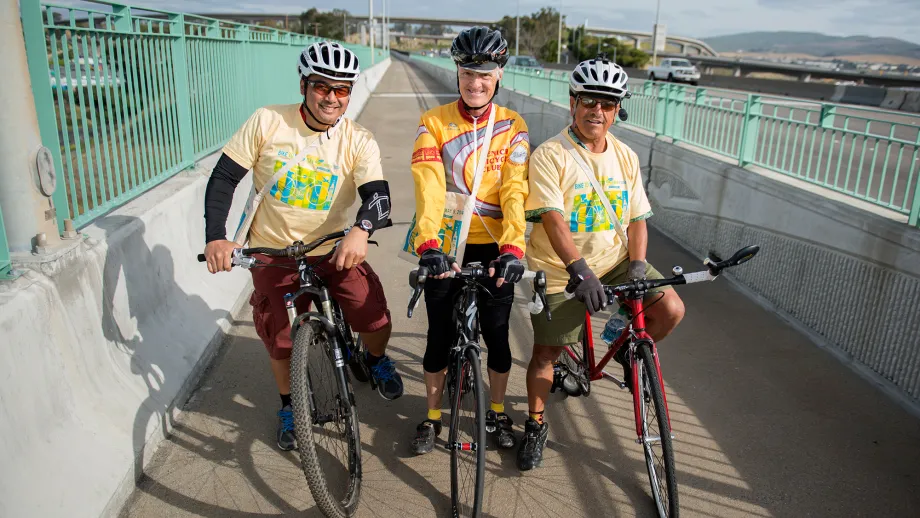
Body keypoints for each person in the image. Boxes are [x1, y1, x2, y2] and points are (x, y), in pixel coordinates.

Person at [202, 41, 403, 451]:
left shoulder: (357, 139)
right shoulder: (267, 122)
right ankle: (290, 404)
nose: (331, 97)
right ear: (303, 85)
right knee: (280, 337)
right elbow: (224, 179)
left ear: (350, 92)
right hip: (273, 251)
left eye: (342, 89)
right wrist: (216, 237)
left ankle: (377, 360)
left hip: (332, 248)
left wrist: (361, 230)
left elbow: (378, 196)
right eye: (321, 86)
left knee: (373, 316)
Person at [517, 56, 686, 470]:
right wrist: (579, 271)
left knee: (670, 309)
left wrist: (638, 267)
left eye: (607, 104)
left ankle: (623, 343)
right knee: (546, 354)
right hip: (562, 267)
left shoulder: (626, 156)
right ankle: (535, 424)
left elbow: (638, 220)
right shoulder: (551, 155)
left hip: (613, 260)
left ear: (617, 110)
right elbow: (553, 220)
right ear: (573, 102)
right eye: (589, 101)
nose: (597, 111)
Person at [408, 27, 530, 454]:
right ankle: (433, 417)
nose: (475, 82)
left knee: (498, 335)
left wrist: (515, 247)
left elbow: (515, 190)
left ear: (499, 75)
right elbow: (429, 188)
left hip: (496, 245)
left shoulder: (513, 126)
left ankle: (495, 410)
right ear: (456, 72)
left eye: (485, 73)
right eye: (467, 72)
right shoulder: (433, 122)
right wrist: (428, 246)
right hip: (445, 243)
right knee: (438, 334)